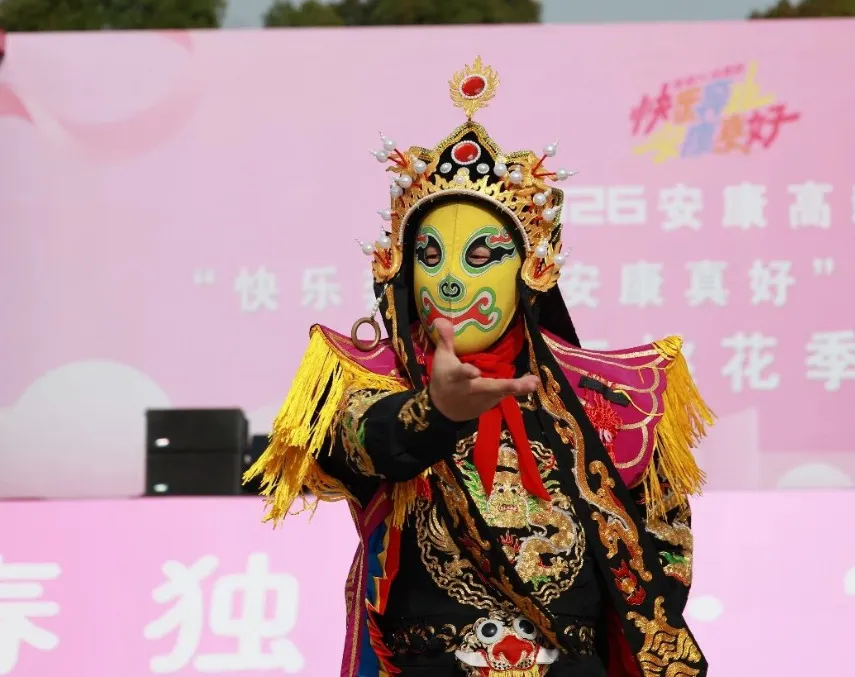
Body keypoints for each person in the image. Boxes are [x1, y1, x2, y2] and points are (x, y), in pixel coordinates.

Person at [246, 56, 714, 677]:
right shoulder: (368, 378)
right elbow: (367, 441)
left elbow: (663, 562)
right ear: (400, 267)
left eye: (480, 256)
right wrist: (435, 411)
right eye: (429, 255)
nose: (449, 280)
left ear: (533, 268)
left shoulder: (613, 394)